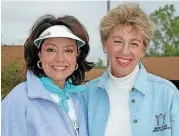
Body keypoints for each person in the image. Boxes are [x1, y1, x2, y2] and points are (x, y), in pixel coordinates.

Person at [83, 3, 179, 136]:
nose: (125, 51)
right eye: (118, 41)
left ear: (143, 49)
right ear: (104, 43)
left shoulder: (168, 94)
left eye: (134, 43)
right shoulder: (85, 96)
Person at [2, 14, 94, 136]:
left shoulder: (81, 98)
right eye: (50, 50)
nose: (60, 59)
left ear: (77, 55)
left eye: (68, 50)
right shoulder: (18, 100)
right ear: (39, 53)